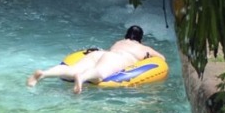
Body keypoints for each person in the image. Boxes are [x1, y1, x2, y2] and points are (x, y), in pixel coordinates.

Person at [27, 25, 164, 94]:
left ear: (126, 35)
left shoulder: (119, 42)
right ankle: (81, 78)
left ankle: (43, 74)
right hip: (117, 58)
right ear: (140, 39)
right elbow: (161, 60)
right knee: (100, 72)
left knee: (71, 69)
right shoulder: (143, 48)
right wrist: (146, 57)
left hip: (100, 54)